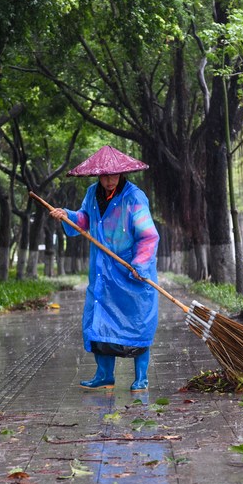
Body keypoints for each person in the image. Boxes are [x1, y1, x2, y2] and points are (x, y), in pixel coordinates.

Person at [49, 146, 160, 391]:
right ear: (98, 175)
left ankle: (141, 377)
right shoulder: (92, 193)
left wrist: (140, 264)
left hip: (130, 271)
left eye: (114, 175)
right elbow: (85, 220)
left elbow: (148, 236)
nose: (110, 180)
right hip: (103, 271)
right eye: (105, 176)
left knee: (137, 323)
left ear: (122, 174)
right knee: (99, 323)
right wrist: (66, 215)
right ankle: (104, 375)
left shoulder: (134, 197)